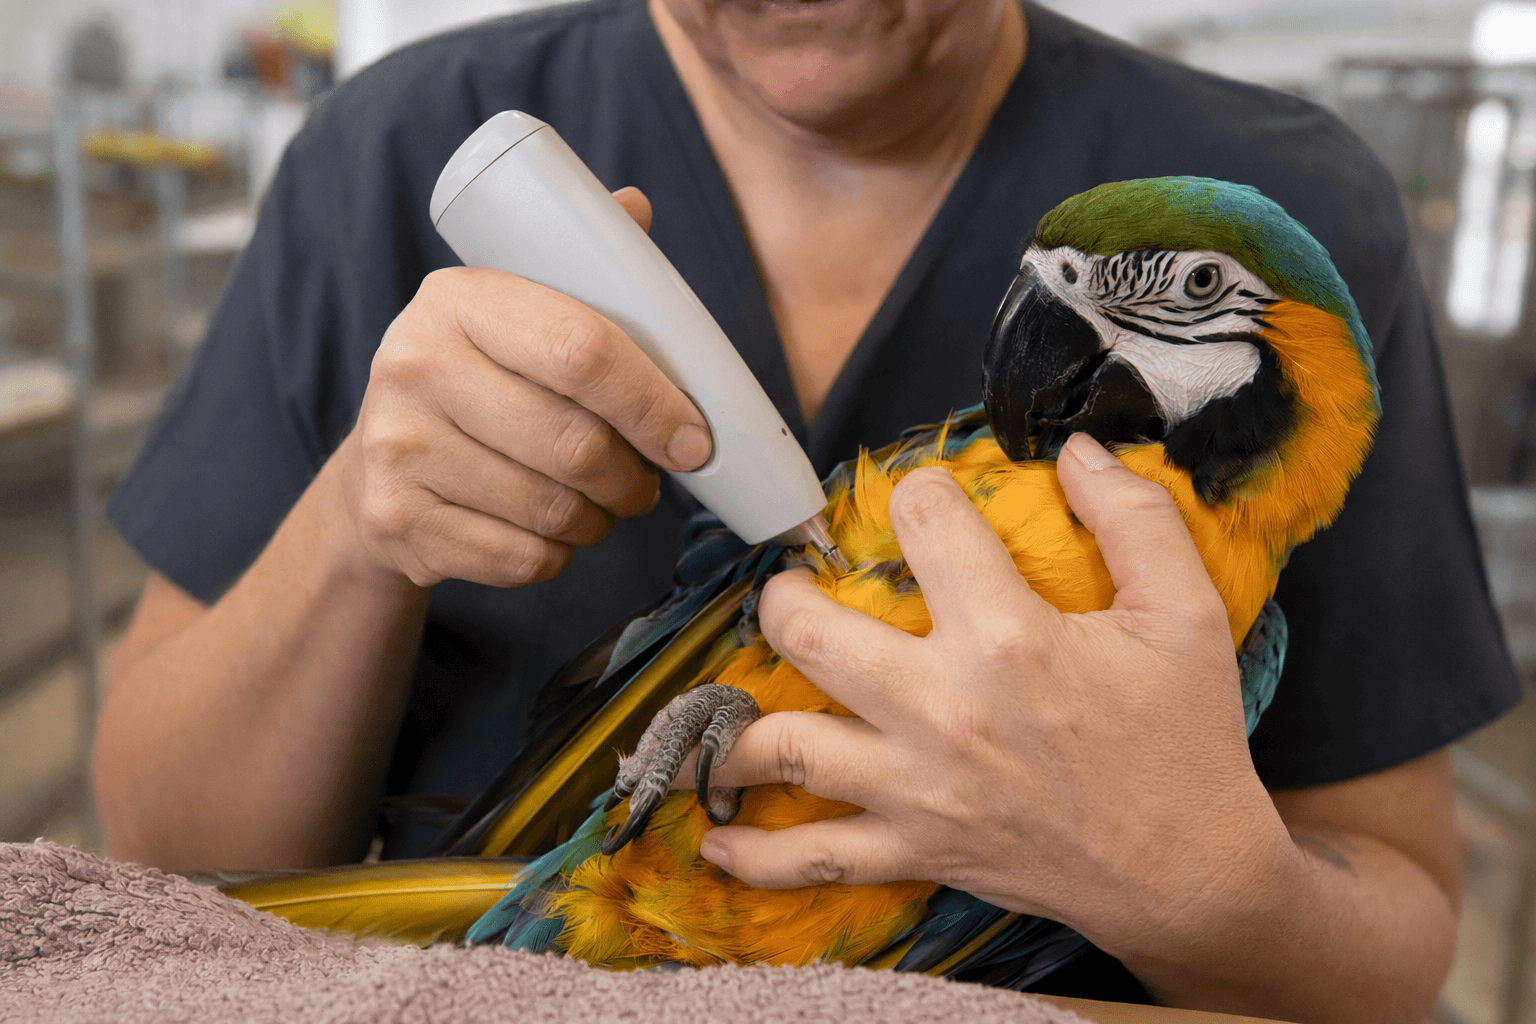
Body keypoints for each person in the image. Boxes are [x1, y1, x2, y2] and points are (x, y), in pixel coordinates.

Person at [95, 0, 1520, 1019]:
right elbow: (162, 870)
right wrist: (358, 521)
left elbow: (1393, 938)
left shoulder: (1306, 205)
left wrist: (1183, 877)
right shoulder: (395, 148)